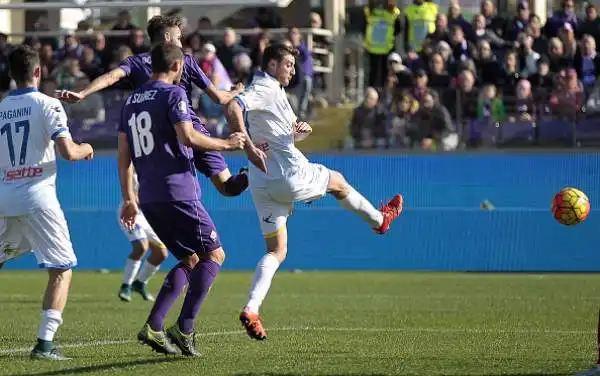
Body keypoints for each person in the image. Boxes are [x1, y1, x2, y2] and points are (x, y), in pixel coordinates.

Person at [55, 15, 250, 299]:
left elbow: (112, 76)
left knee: (226, 188)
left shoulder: (140, 64)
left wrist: (84, 92)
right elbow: (218, 98)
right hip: (185, 134)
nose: (182, 43)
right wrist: (235, 94)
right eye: (179, 37)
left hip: (175, 137)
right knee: (222, 194)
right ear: (169, 38)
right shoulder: (177, 60)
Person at [224, 43, 404, 340]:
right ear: (271, 65)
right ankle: (380, 221)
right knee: (339, 182)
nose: (292, 70)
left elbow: (277, 132)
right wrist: (248, 146)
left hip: (262, 181)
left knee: (276, 251)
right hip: (289, 175)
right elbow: (233, 107)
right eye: (287, 65)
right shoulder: (265, 88)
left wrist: (295, 135)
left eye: (294, 65)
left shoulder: (275, 92)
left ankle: (252, 309)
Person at [118, 44, 245, 356]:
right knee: (214, 257)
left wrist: (129, 198)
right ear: (177, 68)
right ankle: (184, 328)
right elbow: (188, 137)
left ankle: (155, 325)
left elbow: (123, 158)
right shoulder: (174, 95)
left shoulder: (130, 101)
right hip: (178, 191)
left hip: (148, 196)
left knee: (190, 259)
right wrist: (227, 144)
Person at [0, 45, 94, 359]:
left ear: (11, 75)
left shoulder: (0, 108)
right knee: (62, 268)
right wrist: (86, 148)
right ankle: (45, 344)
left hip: (5, 197)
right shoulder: (49, 104)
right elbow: (68, 152)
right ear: (38, 72)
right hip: (37, 197)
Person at [117, 172, 167, 302]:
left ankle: (139, 284)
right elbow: (129, 186)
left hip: (146, 215)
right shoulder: (134, 161)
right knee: (141, 247)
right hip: (130, 211)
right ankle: (126, 286)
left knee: (161, 254)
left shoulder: (160, 165)